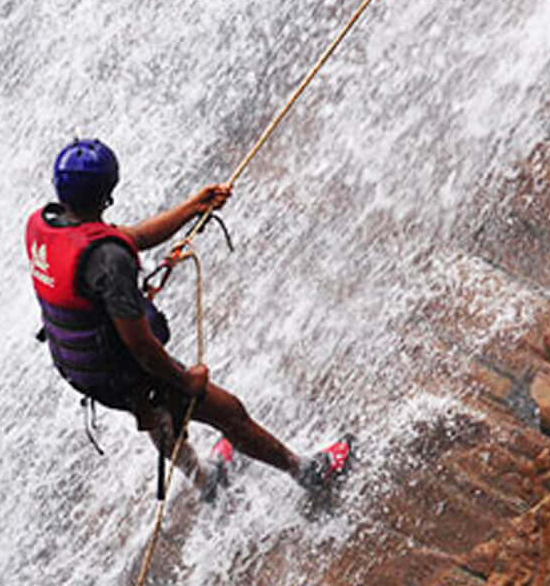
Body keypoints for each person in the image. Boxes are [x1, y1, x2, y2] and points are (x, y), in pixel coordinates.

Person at [26, 137, 352, 497]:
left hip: (84, 369)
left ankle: (206, 481)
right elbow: (141, 347)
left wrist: (192, 208)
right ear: (108, 195)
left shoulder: (48, 224)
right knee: (227, 411)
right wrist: (185, 380)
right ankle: (307, 474)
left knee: (154, 411)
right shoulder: (108, 260)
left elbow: (129, 238)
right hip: (120, 371)